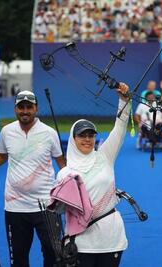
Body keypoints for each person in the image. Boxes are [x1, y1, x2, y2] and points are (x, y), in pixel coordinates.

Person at [0, 90, 66, 267]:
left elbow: (62, 162)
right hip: (15, 207)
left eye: (29, 107)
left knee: (55, 255)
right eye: (21, 107)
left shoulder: (49, 133)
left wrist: (72, 189)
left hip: (47, 206)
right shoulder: (7, 131)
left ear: (36, 108)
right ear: (15, 109)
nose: (25, 111)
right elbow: (0, 156)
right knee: (18, 259)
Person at [55, 82, 130, 267]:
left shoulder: (105, 156)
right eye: (82, 135)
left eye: (91, 135)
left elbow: (120, 128)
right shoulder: (65, 172)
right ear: (73, 139)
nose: (88, 139)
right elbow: (60, 210)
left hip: (112, 240)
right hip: (80, 243)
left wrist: (124, 101)